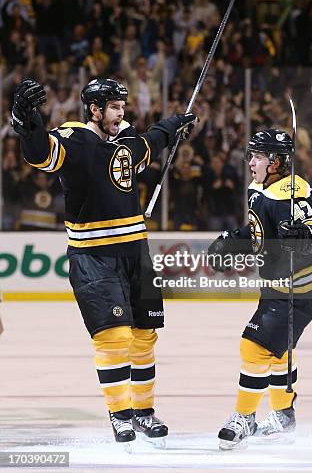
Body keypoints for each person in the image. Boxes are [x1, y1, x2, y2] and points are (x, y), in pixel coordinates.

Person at [11, 78, 197, 448]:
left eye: (122, 107)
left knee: (145, 338)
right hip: (94, 257)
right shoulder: (75, 139)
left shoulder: (126, 143)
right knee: (115, 338)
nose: (121, 113)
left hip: (136, 253)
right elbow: (40, 152)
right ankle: (121, 415)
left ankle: (144, 413)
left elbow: (152, 140)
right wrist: (25, 121)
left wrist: (176, 124)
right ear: (94, 109)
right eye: (114, 107)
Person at [208, 129, 312, 450]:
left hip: (302, 287)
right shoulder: (261, 188)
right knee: (279, 349)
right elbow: (258, 230)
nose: (250, 161)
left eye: (258, 156)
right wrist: (235, 239)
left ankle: (245, 417)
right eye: (251, 154)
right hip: (282, 284)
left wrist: (303, 236)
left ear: (276, 161)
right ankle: (283, 414)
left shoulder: (291, 190)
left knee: (253, 346)